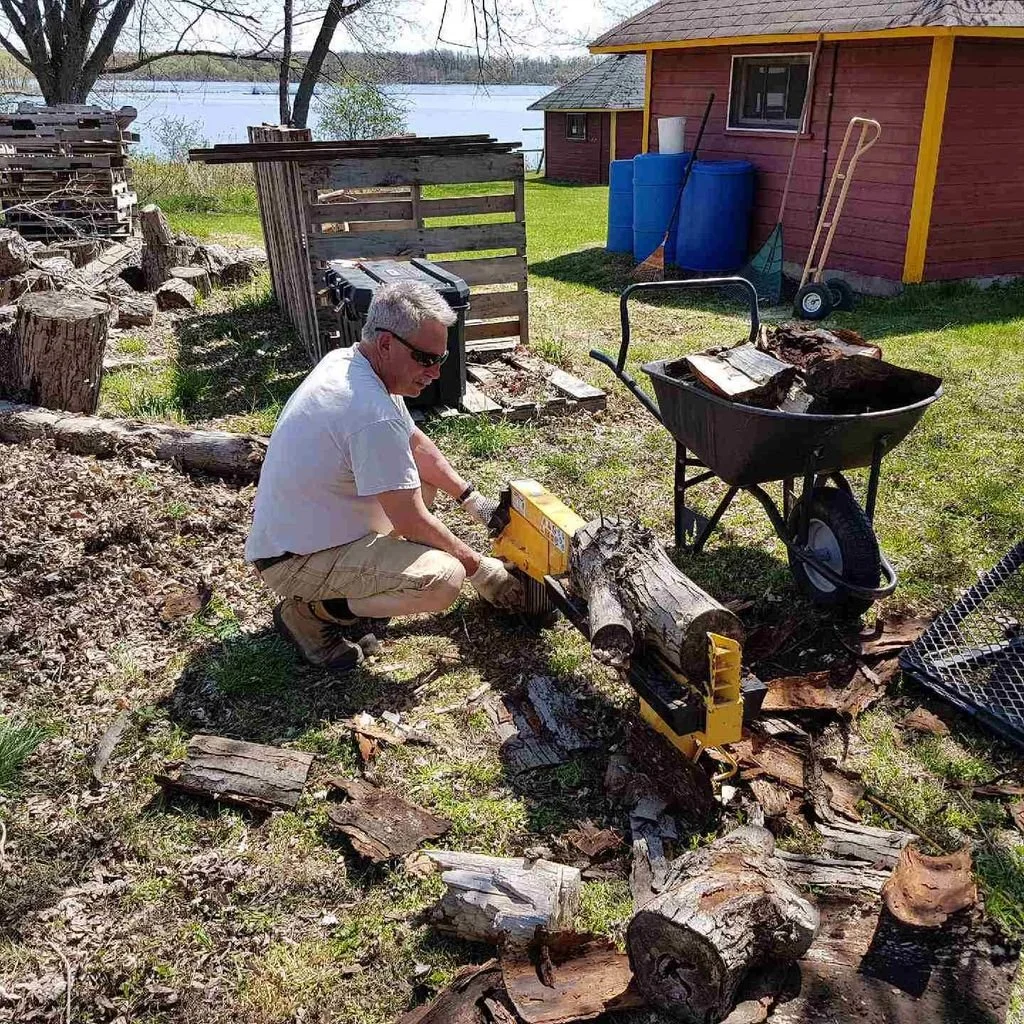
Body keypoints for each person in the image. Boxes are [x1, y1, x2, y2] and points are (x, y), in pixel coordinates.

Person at [245, 279, 524, 671]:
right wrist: (482, 571)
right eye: (426, 359)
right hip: (292, 562)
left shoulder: (353, 363)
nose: (434, 372)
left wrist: (472, 501)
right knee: (444, 579)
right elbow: (410, 520)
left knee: (420, 481)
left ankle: (358, 590)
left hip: (307, 532)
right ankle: (311, 615)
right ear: (387, 343)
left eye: (441, 359)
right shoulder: (368, 413)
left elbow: (415, 443)